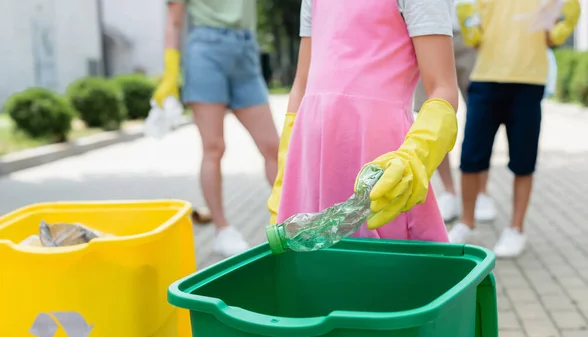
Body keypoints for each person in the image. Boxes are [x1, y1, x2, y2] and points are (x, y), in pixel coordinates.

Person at [268, 0, 459, 242]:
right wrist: (284, 179)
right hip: (310, 160)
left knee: (384, 271)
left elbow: (443, 87)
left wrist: (415, 155)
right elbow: (301, 86)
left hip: (378, 157)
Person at [448, 0, 580, 257]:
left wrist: (566, 24)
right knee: (470, 157)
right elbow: (474, 37)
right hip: (486, 79)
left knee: (524, 160)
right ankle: (466, 222)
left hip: (528, 82)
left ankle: (516, 228)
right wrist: (467, 20)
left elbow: (553, 36)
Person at [154, 0, 280, 257]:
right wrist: (170, 74)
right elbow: (174, 19)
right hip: (206, 51)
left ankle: (290, 216)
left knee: (273, 147)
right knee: (214, 147)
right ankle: (222, 230)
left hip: (245, 50)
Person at [413, 7, 496, 224]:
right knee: (430, 114)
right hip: (425, 29)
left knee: (483, 114)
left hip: (472, 33)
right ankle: (449, 192)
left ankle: (481, 192)